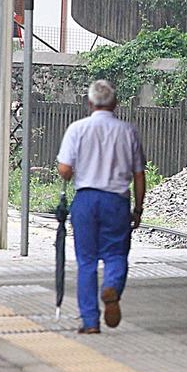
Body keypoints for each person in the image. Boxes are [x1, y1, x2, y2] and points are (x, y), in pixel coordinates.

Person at [56, 79, 146, 335]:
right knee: (116, 254)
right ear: (115, 104)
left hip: (85, 199)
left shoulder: (77, 129)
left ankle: (90, 322)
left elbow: (64, 170)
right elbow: (139, 174)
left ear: (90, 103)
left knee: (86, 262)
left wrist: (73, 170)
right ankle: (112, 287)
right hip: (116, 201)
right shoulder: (128, 131)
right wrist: (138, 209)